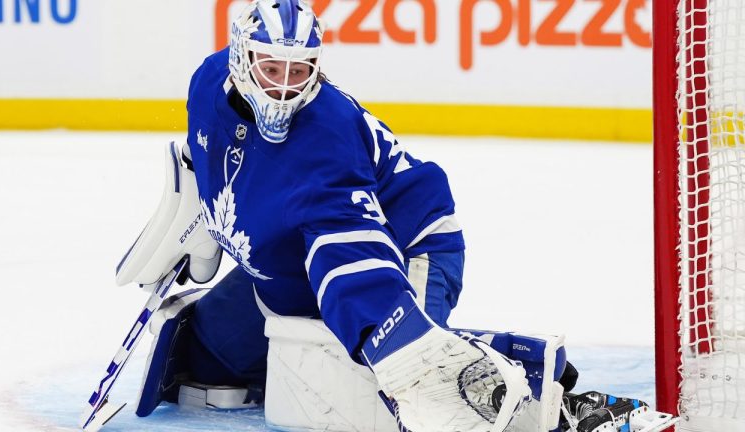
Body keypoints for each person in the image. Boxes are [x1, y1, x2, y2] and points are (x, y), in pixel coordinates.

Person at [117, 1, 536, 431]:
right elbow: (204, 155)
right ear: (241, 58)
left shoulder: (324, 141)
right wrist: (197, 229)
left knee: (396, 391)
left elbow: (350, 253)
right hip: (291, 251)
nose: (283, 89)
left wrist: (401, 354)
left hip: (403, 244)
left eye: (298, 72)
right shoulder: (208, 82)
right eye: (271, 69)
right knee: (207, 358)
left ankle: (499, 379)